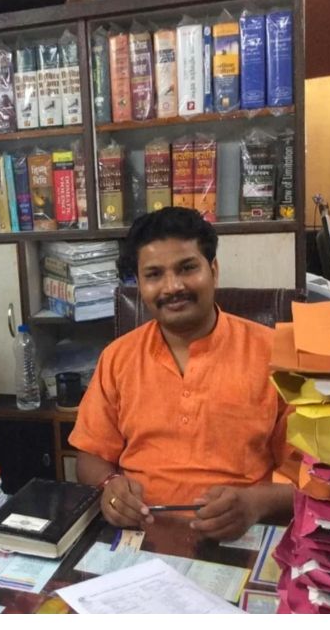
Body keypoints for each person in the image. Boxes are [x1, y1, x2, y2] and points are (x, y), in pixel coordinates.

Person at [69, 207, 295, 541]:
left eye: (187, 268)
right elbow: (90, 456)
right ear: (140, 285)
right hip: (140, 535)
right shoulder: (118, 357)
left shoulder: (276, 354)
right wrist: (110, 486)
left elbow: (315, 477)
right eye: (154, 274)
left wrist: (255, 504)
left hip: (244, 534)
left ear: (213, 270)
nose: (172, 287)